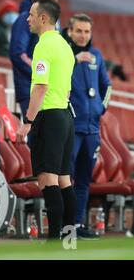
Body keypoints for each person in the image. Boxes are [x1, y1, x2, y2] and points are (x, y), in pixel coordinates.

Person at [16, 0, 76, 240]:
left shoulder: (43, 46)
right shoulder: (65, 45)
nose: (27, 19)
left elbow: (40, 86)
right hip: (65, 116)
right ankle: (68, 240)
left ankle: (53, 242)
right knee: (64, 180)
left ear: (43, 18)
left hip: (49, 117)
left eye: (31, 15)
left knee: (47, 180)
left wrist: (28, 121)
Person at [62, 14, 112, 239]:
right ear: (70, 31)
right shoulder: (62, 53)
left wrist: (101, 108)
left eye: (86, 31)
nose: (83, 35)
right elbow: (51, 80)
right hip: (71, 127)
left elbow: (107, 86)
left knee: (83, 180)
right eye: (79, 31)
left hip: (92, 130)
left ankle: (77, 224)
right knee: (65, 178)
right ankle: (63, 226)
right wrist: (73, 59)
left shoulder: (97, 56)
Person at [10, 0, 59, 117]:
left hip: (49, 89)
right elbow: (18, 54)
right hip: (30, 89)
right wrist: (41, 72)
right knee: (36, 133)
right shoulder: (26, 19)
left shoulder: (55, 21)